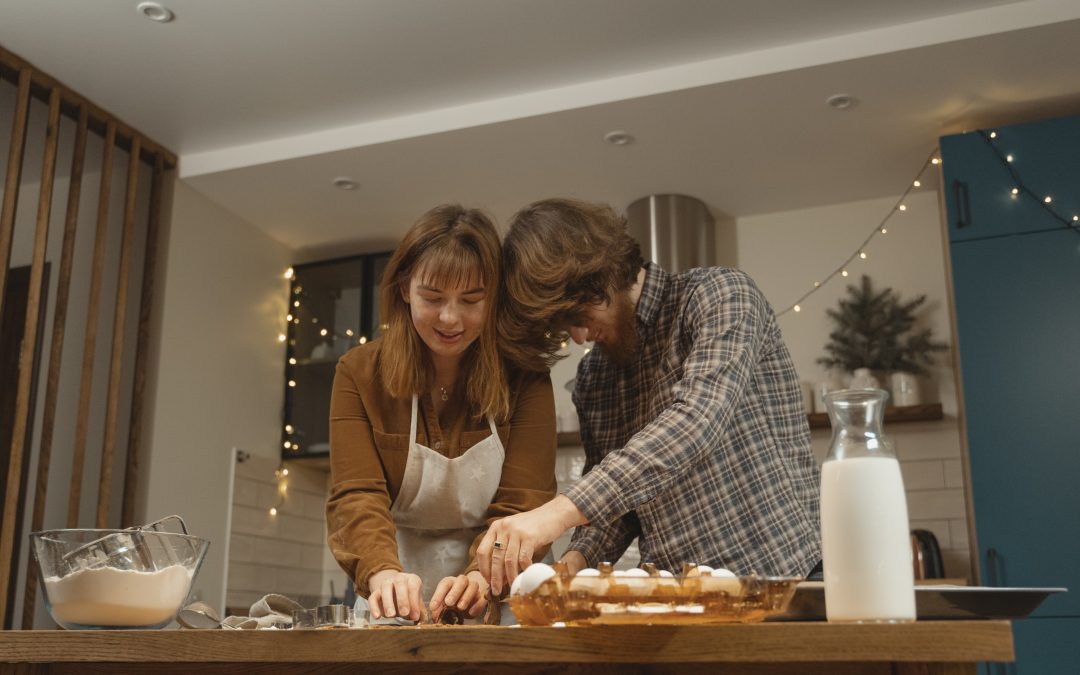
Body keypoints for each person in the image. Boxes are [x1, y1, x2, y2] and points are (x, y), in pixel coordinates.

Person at [477, 198, 821, 595]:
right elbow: (618, 509)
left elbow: (694, 423)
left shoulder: (721, 296)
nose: (579, 338)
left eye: (580, 317)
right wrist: (574, 562)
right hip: (677, 596)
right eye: (564, 327)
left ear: (603, 273)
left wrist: (555, 513)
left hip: (784, 579)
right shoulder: (594, 377)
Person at [326, 204, 557, 623]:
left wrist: (482, 577)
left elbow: (524, 502)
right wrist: (382, 573)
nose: (450, 318)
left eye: (472, 300)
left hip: (502, 585)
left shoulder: (525, 376)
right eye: (432, 298)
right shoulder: (358, 373)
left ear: (495, 299)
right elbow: (357, 494)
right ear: (403, 289)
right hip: (394, 588)